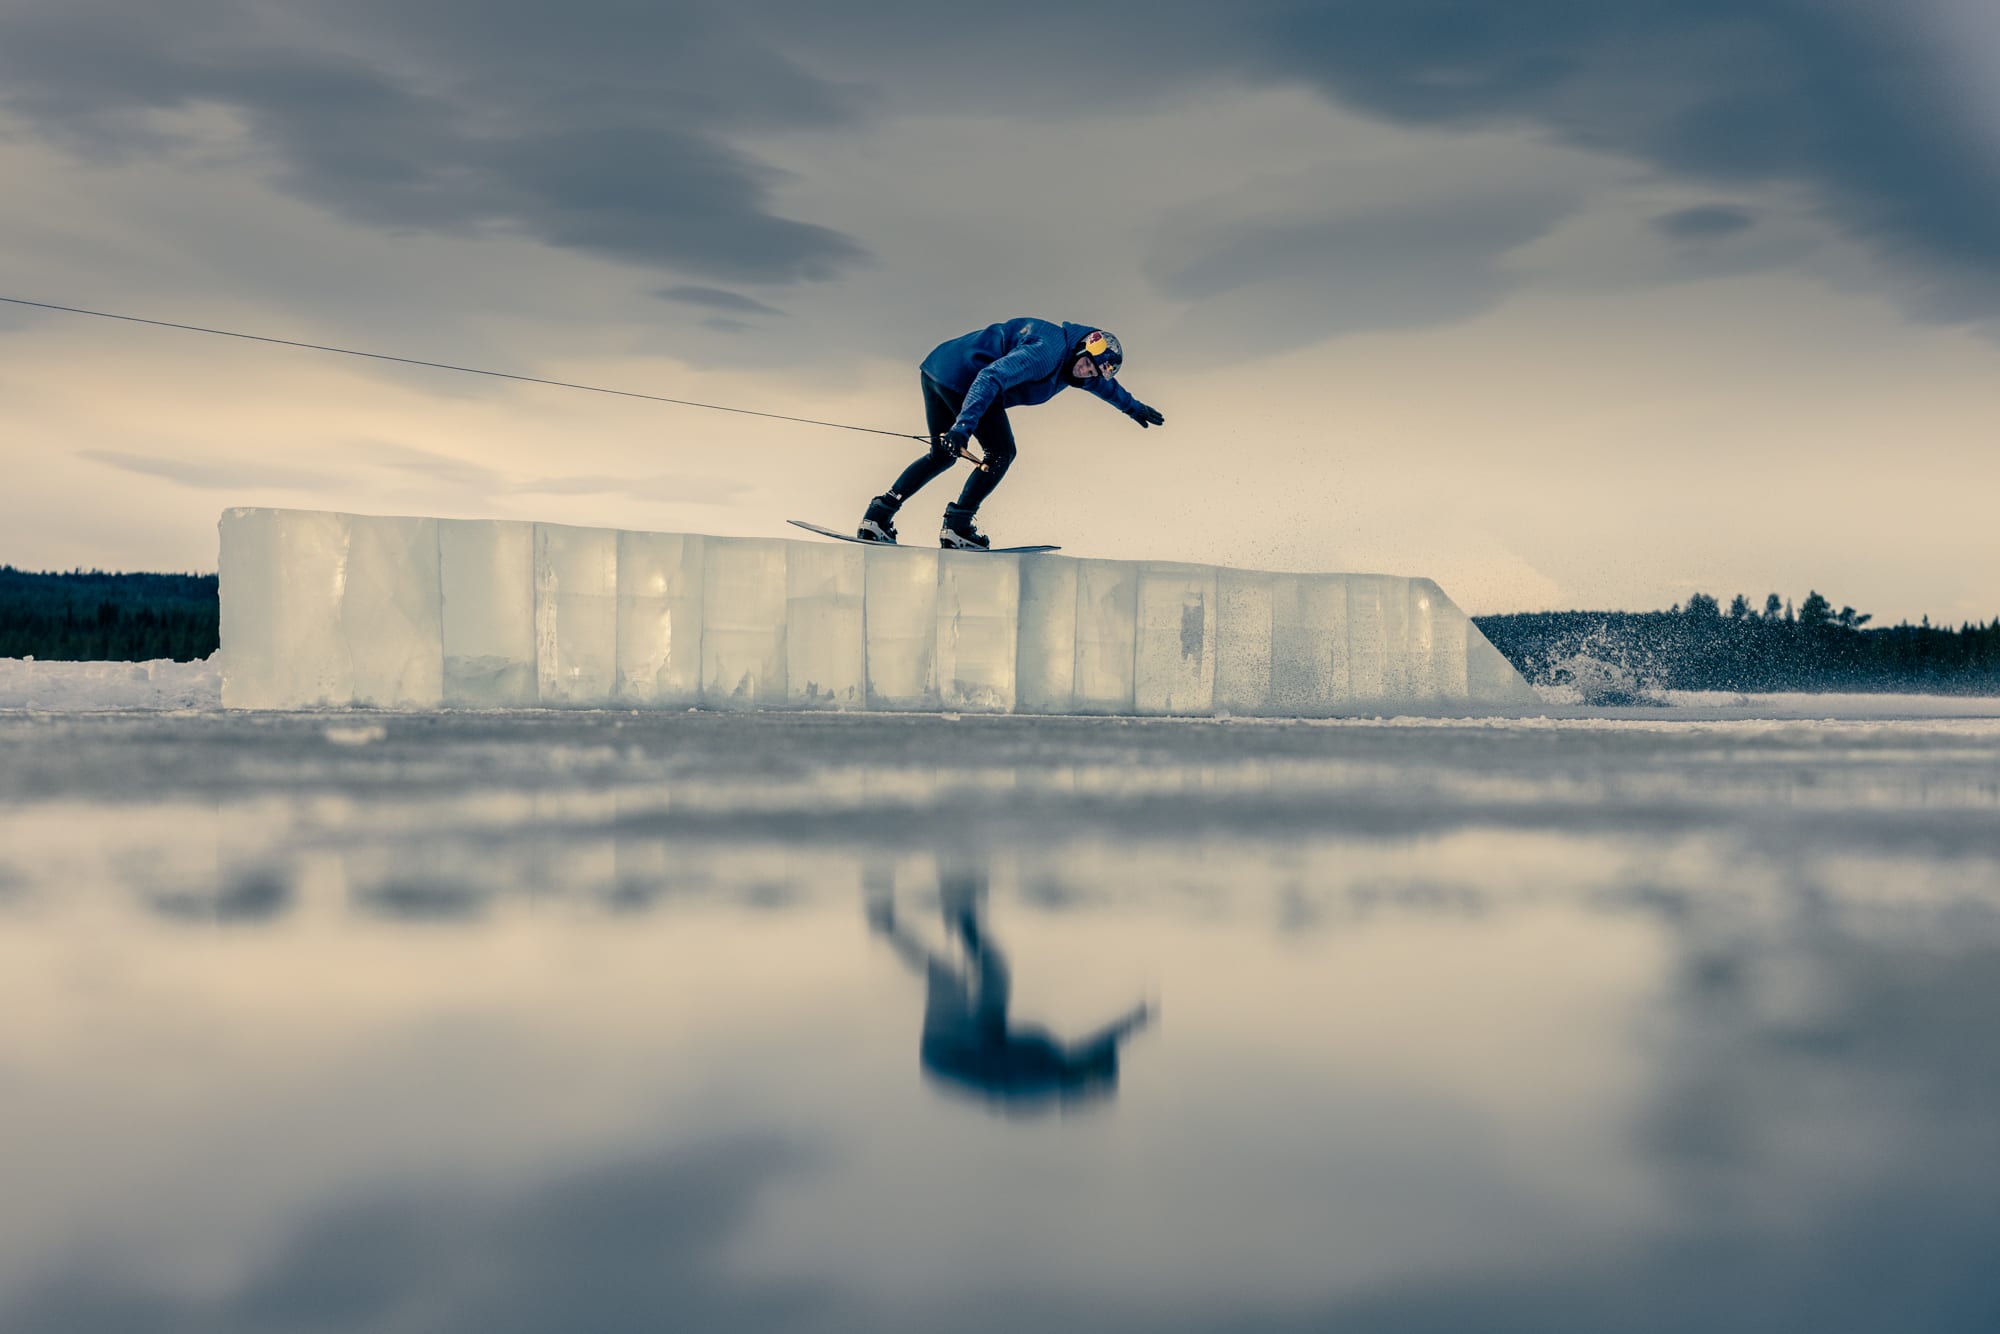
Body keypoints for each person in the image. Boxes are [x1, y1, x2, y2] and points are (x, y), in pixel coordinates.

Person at [858, 320, 1166, 550]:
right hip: (966, 379)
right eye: (1087, 364)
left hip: (938, 369)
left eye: (1093, 371)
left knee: (942, 455)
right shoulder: (1047, 353)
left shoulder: (1077, 367)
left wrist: (1133, 408)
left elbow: (1103, 385)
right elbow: (990, 376)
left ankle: (877, 517)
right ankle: (958, 525)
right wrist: (963, 428)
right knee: (1001, 452)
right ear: (1081, 348)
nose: (1086, 372)